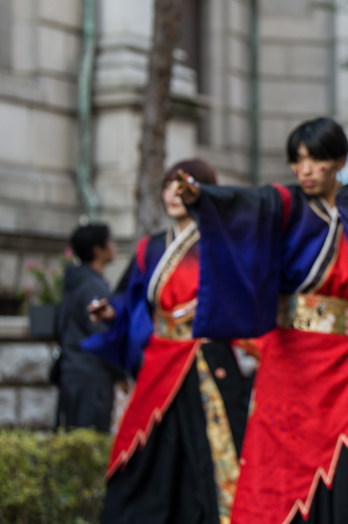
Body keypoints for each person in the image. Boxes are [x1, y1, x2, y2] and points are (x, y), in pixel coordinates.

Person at [179, 117, 348, 524]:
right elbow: (244, 204)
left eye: (316, 159)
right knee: (276, 464)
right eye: (297, 161)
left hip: (343, 361)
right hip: (288, 362)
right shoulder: (283, 204)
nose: (305, 170)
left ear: (340, 161)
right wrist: (202, 196)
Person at [83, 159, 250, 524]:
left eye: (184, 185)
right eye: (168, 185)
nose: (174, 193)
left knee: (211, 449)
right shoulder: (150, 248)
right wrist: (111, 311)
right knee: (145, 446)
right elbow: (130, 296)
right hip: (160, 359)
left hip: (206, 356)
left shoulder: (220, 242)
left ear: (202, 192)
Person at [55, 223, 119, 431]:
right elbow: (103, 337)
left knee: (74, 442)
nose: (114, 246)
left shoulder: (73, 282)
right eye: (110, 241)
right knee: (90, 442)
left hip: (71, 372)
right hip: (92, 379)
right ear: (97, 250)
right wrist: (121, 373)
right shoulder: (93, 286)